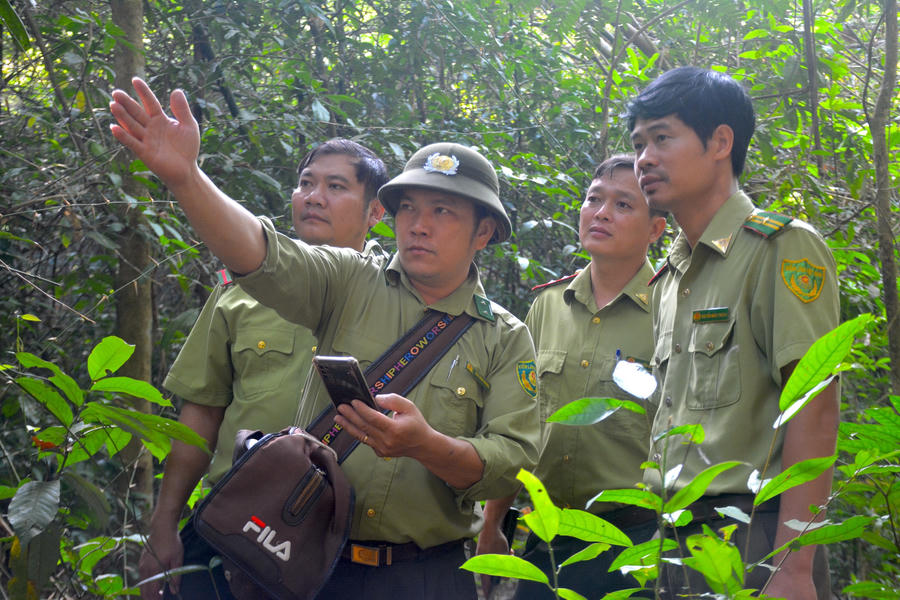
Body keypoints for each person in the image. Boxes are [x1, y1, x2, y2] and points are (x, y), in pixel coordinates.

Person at [110, 78, 541, 600]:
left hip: (423, 575)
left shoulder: (505, 338)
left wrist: (430, 447)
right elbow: (261, 255)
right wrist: (188, 179)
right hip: (302, 560)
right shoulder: (347, 278)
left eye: (443, 211)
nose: (419, 226)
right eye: (409, 208)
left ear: (484, 233)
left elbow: (510, 466)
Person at [137, 138, 388, 599]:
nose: (313, 196)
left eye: (336, 186)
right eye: (306, 184)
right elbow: (202, 412)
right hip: (231, 530)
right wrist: (164, 524)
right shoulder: (239, 292)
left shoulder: (396, 300)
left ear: (375, 213)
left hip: (339, 552)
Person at [626, 66, 839, 599]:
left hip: (754, 534)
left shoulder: (780, 248)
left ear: (721, 141)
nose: (644, 159)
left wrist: (793, 565)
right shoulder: (670, 275)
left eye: (662, 138)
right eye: (638, 144)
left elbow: (815, 405)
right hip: (675, 536)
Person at [476, 155, 666, 599]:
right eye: (594, 199)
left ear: (655, 229)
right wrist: (491, 525)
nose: (600, 213)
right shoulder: (548, 307)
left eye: (623, 205)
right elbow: (517, 420)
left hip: (635, 544)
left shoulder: (671, 309)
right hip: (549, 537)